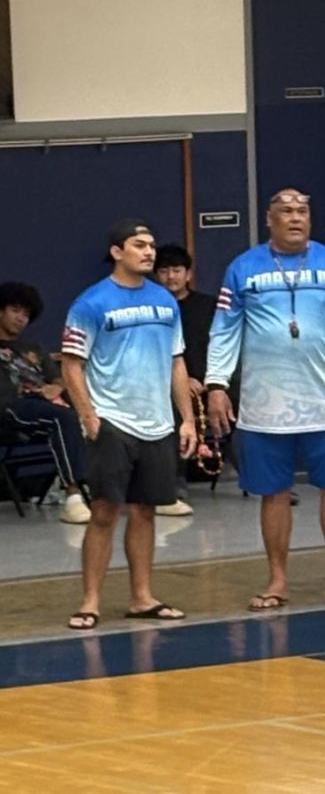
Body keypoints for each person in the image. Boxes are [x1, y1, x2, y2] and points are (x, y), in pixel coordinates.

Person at [205, 187, 325, 612]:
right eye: (286, 211)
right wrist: (216, 385)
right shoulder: (242, 269)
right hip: (267, 405)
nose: (296, 218)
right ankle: (277, 581)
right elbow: (224, 331)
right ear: (269, 218)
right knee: (274, 492)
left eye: (303, 210)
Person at [60, 219, 197, 630]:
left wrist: (186, 419)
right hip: (113, 423)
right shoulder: (91, 303)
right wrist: (89, 417)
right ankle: (90, 601)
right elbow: (71, 364)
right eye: (139, 245)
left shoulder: (165, 301)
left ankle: (142, 597)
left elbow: (177, 361)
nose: (149, 252)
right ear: (117, 252)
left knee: (146, 512)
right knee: (104, 511)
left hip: (157, 423)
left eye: (152, 245)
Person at [0, 281, 91, 524]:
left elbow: (59, 377)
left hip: (45, 406)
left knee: (86, 412)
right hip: (10, 406)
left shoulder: (34, 348)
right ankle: (73, 495)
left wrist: (56, 387)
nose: (21, 319)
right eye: (15, 311)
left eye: (26, 314)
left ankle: (93, 487)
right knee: (62, 417)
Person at [153, 243, 219, 515]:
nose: (171, 277)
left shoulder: (208, 306)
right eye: (164, 271)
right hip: (167, 385)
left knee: (242, 405)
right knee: (176, 409)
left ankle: (263, 481)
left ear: (188, 274)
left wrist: (211, 381)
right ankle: (175, 480)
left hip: (210, 381)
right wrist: (183, 380)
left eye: (177, 270)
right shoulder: (151, 308)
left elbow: (220, 347)